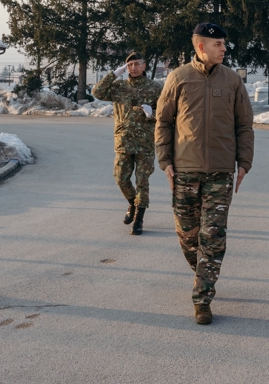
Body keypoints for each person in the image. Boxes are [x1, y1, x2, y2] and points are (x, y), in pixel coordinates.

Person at [155, 23, 254, 325]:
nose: (224, 48)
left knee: (212, 237)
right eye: (217, 44)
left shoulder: (233, 80)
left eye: (224, 44)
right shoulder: (179, 78)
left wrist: (244, 162)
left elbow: (244, 125)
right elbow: (163, 121)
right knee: (188, 237)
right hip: (184, 170)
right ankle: (203, 272)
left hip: (220, 173)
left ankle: (202, 298)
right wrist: (165, 159)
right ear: (201, 46)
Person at [92, 52, 163, 235]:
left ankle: (139, 218)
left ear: (144, 66)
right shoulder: (118, 87)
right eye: (130, 64)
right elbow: (97, 92)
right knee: (120, 178)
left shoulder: (155, 88)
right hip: (123, 142)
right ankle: (132, 202)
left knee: (142, 182)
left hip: (145, 144)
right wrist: (114, 74)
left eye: (137, 64)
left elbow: (168, 112)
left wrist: (152, 113)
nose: (133, 67)